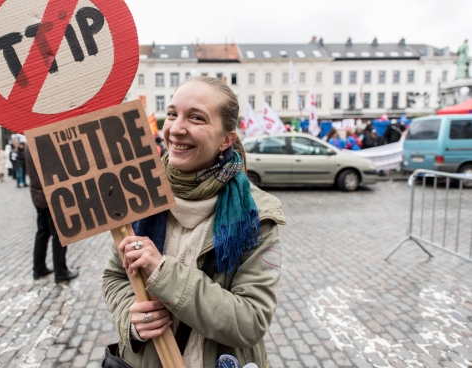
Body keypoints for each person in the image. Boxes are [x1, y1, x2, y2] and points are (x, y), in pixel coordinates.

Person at [102, 76, 285, 368]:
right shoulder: (139, 193)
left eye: (196, 118)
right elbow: (115, 276)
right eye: (172, 113)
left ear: (226, 138)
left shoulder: (256, 215)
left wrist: (162, 272)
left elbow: (251, 321)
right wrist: (132, 320)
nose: (175, 128)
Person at [25, 145, 79, 283]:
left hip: (37, 196)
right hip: (49, 196)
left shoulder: (28, 144)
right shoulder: (41, 142)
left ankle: (39, 268)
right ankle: (60, 272)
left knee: (42, 233)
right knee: (60, 235)